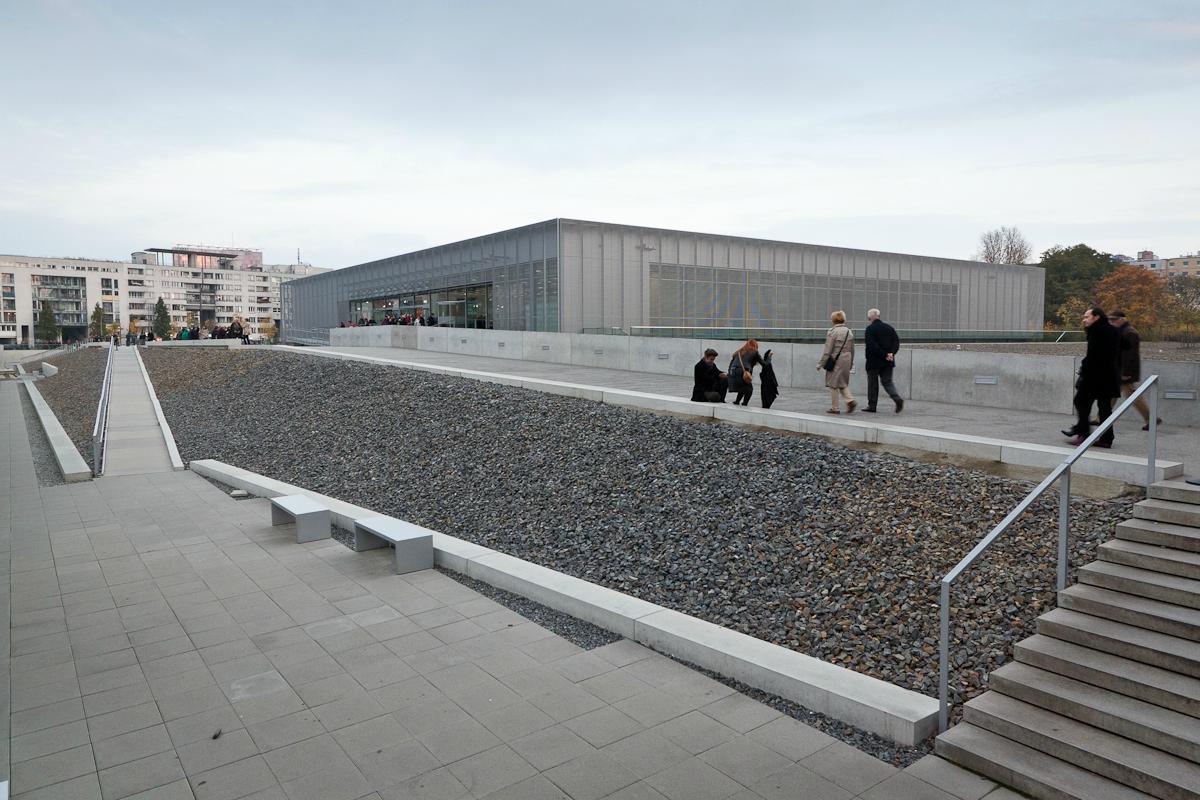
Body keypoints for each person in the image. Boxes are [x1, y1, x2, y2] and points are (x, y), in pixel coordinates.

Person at [1062, 306, 1120, 447]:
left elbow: (1094, 356)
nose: (1084, 320)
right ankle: (1106, 439)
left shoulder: (1096, 330)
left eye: (1087, 317)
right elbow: (1121, 349)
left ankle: (1083, 434)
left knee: (1080, 402)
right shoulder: (1113, 330)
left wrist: (1084, 371)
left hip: (1095, 377)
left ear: (1096, 317)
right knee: (1105, 408)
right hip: (1108, 376)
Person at [1109, 310, 1162, 431]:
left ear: (1122, 319)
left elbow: (1130, 355)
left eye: (1114, 319)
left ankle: (1151, 418)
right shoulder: (1122, 331)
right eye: (1110, 320)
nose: (1111, 322)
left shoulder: (1130, 333)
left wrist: (1125, 373)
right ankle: (1101, 417)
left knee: (1131, 396)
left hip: (1125, 372)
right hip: (1120, 370)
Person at [863, 308, 904, 413]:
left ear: (870, 317)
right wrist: (891, 354)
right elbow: (896, 343)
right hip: (888, 361)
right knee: (887, 382)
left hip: (874, 361)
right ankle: (897, 398)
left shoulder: (870, 329)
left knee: (873, 384)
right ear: (879, 316)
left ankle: (872, 406)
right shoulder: (889, 328)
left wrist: (884, 354)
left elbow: (872, 346)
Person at [818, 310, 856, 414]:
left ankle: (835, 408)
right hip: (847, 359)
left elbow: (828, 350)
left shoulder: (832, 332)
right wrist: (851, 362)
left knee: (833, 384)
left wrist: (820, 364)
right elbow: (852, 349)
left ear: (833, 320)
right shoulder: (849, 332)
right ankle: (850, 400)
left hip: (835, 360)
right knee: (842, 381)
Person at [727, 339, 763, 406]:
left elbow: (731, 364)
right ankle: (744, 403)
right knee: (749, 389)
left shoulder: (738, 352)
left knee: (743, 387)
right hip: (741, 371)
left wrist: (729, 374)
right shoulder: (754, 352)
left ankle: (737, 401)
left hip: (733, 371)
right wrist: (769, 358)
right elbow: (764, 364)